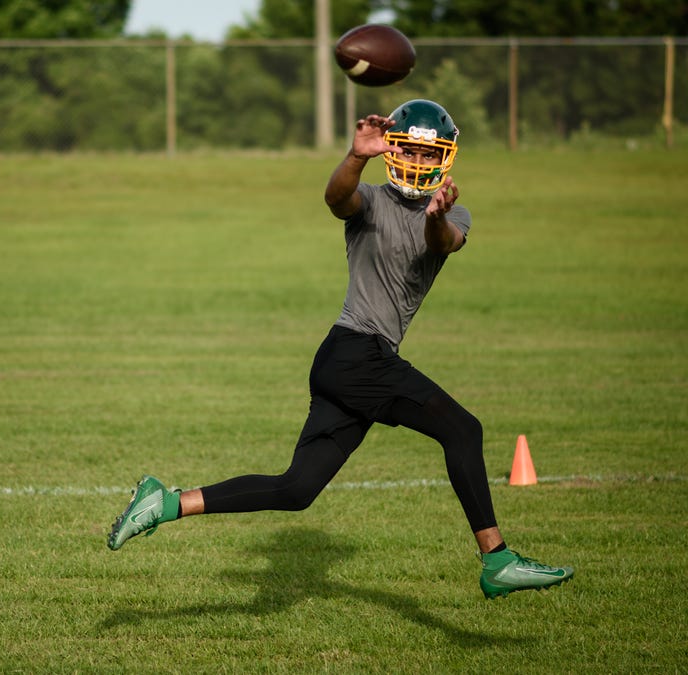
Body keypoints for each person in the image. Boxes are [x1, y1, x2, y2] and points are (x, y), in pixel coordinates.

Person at [106, 100, 575, 600]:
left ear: (443, 158)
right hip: (357, 353)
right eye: (409, 151)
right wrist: (355, 157)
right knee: (464, 429)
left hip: (345, 362)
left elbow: (443, 243)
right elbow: (336, 198)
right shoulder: (369, 200)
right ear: (393, 152)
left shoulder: (453, 210)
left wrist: (436, 215)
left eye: (426, 153)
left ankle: (166, 502)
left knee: (296, 490)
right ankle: (497, 560)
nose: (417, 162)